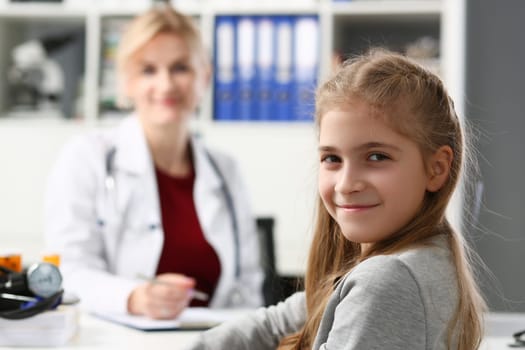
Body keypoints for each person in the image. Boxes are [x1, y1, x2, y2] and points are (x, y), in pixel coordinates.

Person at [185, 49, 486, 349]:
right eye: (332, 158)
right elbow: (276, 324)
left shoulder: (385, 281)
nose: (346, 184)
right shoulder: (428, 257)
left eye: (376, 156)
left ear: (436, 169)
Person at [43, 4, 263, 319]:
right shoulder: (86, 157)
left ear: (205, 76)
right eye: (148, 70)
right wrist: (134, 297)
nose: (166, 85)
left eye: (180, 67)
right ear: (127, 82)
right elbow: (68, 273)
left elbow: (249, 286)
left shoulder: (225, 170)